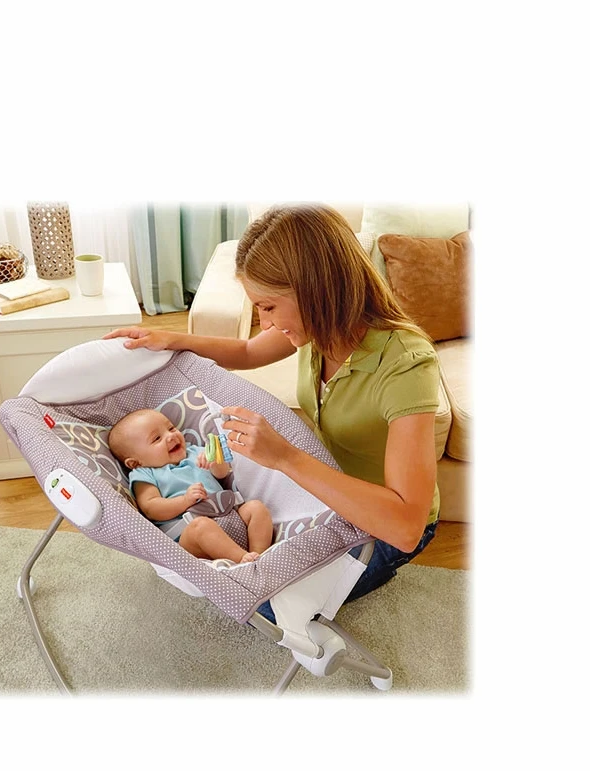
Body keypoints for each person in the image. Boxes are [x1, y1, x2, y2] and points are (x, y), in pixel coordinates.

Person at [105, 204, 440, 619]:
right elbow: (247, 351)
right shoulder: (317, 328)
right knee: (244, 583)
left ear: (314, 290)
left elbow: (406, 526)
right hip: (329, 492)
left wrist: (283, 456)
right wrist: (170, 340)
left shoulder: (406, 365)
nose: (264, 323)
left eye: (268, 307)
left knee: (262, 605)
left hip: (384, 526)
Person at [108, 408, 274, 565]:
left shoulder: (196, 452)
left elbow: (222, 474)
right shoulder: (144, 473)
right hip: (191, 533)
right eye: (156, 439)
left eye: (171, 428)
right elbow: (151, 508)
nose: (171, 436)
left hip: (229, 515)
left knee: (256, 508)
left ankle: (259, 556)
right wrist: (185, 500)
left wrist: (215, 462)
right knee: (201, 526)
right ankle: (243, 561)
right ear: (136, 463)